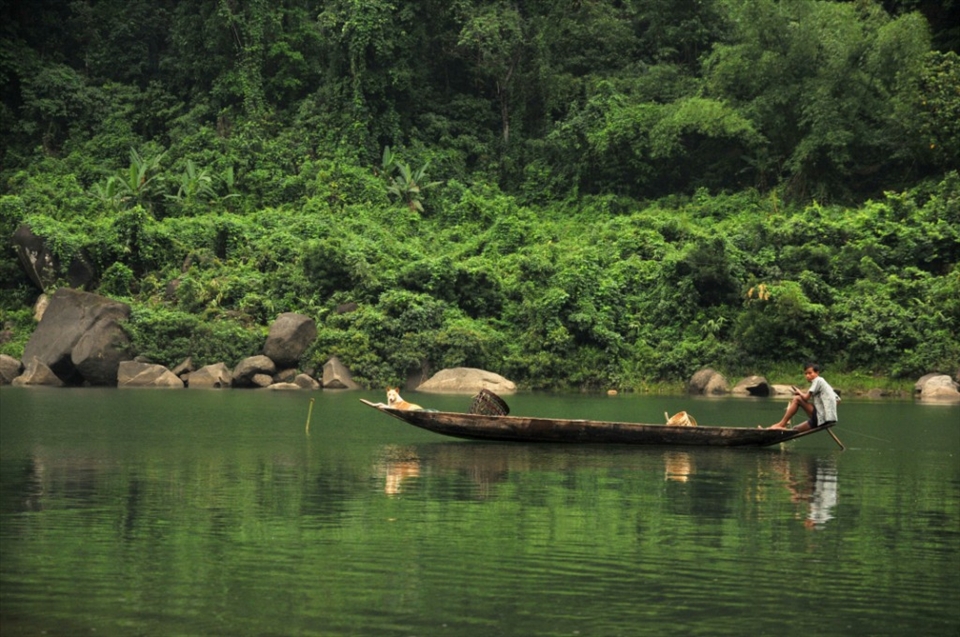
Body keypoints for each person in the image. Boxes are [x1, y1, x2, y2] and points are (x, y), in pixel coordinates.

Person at [766, 362, 839, 431]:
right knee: (795, 429)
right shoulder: (824, 384)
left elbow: (806, 398)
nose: (807, 375)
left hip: (822, 418)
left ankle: (781, 424)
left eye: (810, 373)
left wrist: (799, 392)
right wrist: (827, 411)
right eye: (806, 374)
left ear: (817, 373)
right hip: (824, 419)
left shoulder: (817, 380)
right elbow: (838, 400)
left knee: (797, 399)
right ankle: (772, 430)